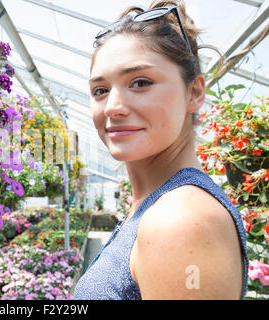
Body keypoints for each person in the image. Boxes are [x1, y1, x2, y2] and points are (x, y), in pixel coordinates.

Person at [73, 0, 248, 300]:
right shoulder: (155, 205)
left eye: (140, 82)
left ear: (194, 92)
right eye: (100, 90)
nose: (113, 107)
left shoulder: (180, 219)